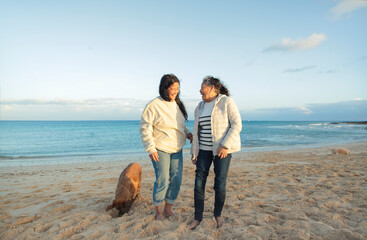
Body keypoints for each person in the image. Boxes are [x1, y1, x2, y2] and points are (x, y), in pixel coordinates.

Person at [189, 76, 242, 229]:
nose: (200, 90)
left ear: (211, 87)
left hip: (221, 151)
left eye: (202, 87)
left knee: (219, 184)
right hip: (203, 151)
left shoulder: (226, 102)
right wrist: (194, 153)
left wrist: (225, 145)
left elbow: (237, 125)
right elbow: (196, 131)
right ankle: (197, 217)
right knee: (198, 184)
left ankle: (217, 214)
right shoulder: (199, 107)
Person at [140, 74, 193, 220]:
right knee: (162, 179)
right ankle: (158, 210)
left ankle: (168, 209)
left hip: (177, 148)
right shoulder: (153, 105)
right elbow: (145, 128)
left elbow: (180, 126)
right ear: (164, 88)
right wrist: (150, 148)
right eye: (172, 88)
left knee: (176, 180)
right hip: (160, 148)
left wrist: (188, 133)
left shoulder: (177, 104)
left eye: (177, 88)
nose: (175, 91)